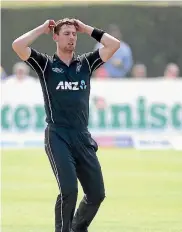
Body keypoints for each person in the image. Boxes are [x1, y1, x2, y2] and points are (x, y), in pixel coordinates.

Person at [12, 18, 120, 232]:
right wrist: (42, 28)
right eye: (67, 33)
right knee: (69, 190)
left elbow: (113, 45)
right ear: (56, 37)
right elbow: (18, 45)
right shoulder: (46, 65)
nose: (71, 37)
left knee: (96, 194)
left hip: (82, 136)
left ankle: (77, 228)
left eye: (74, 34)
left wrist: (87, 29)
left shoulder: (86, 63)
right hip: (57, 136)